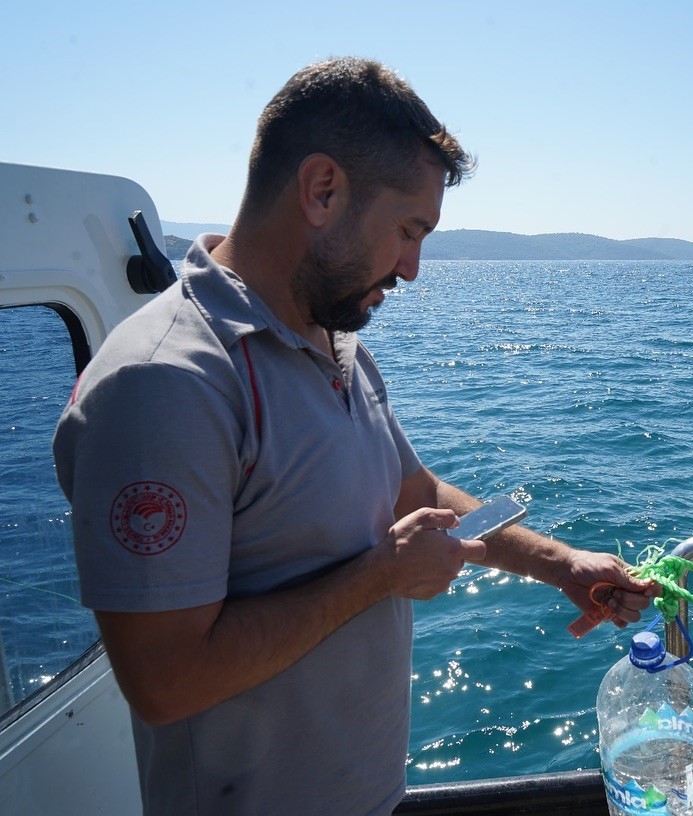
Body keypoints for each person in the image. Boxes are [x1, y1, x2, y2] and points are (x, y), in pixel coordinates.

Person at [52, 57, 654, 816]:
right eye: (408, 230)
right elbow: (165, 682)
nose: (413, 268)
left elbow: (417, 492)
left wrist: (563, 564)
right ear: (322, 190)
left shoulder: (336, 346)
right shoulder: (164, 382)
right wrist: (379, 576)